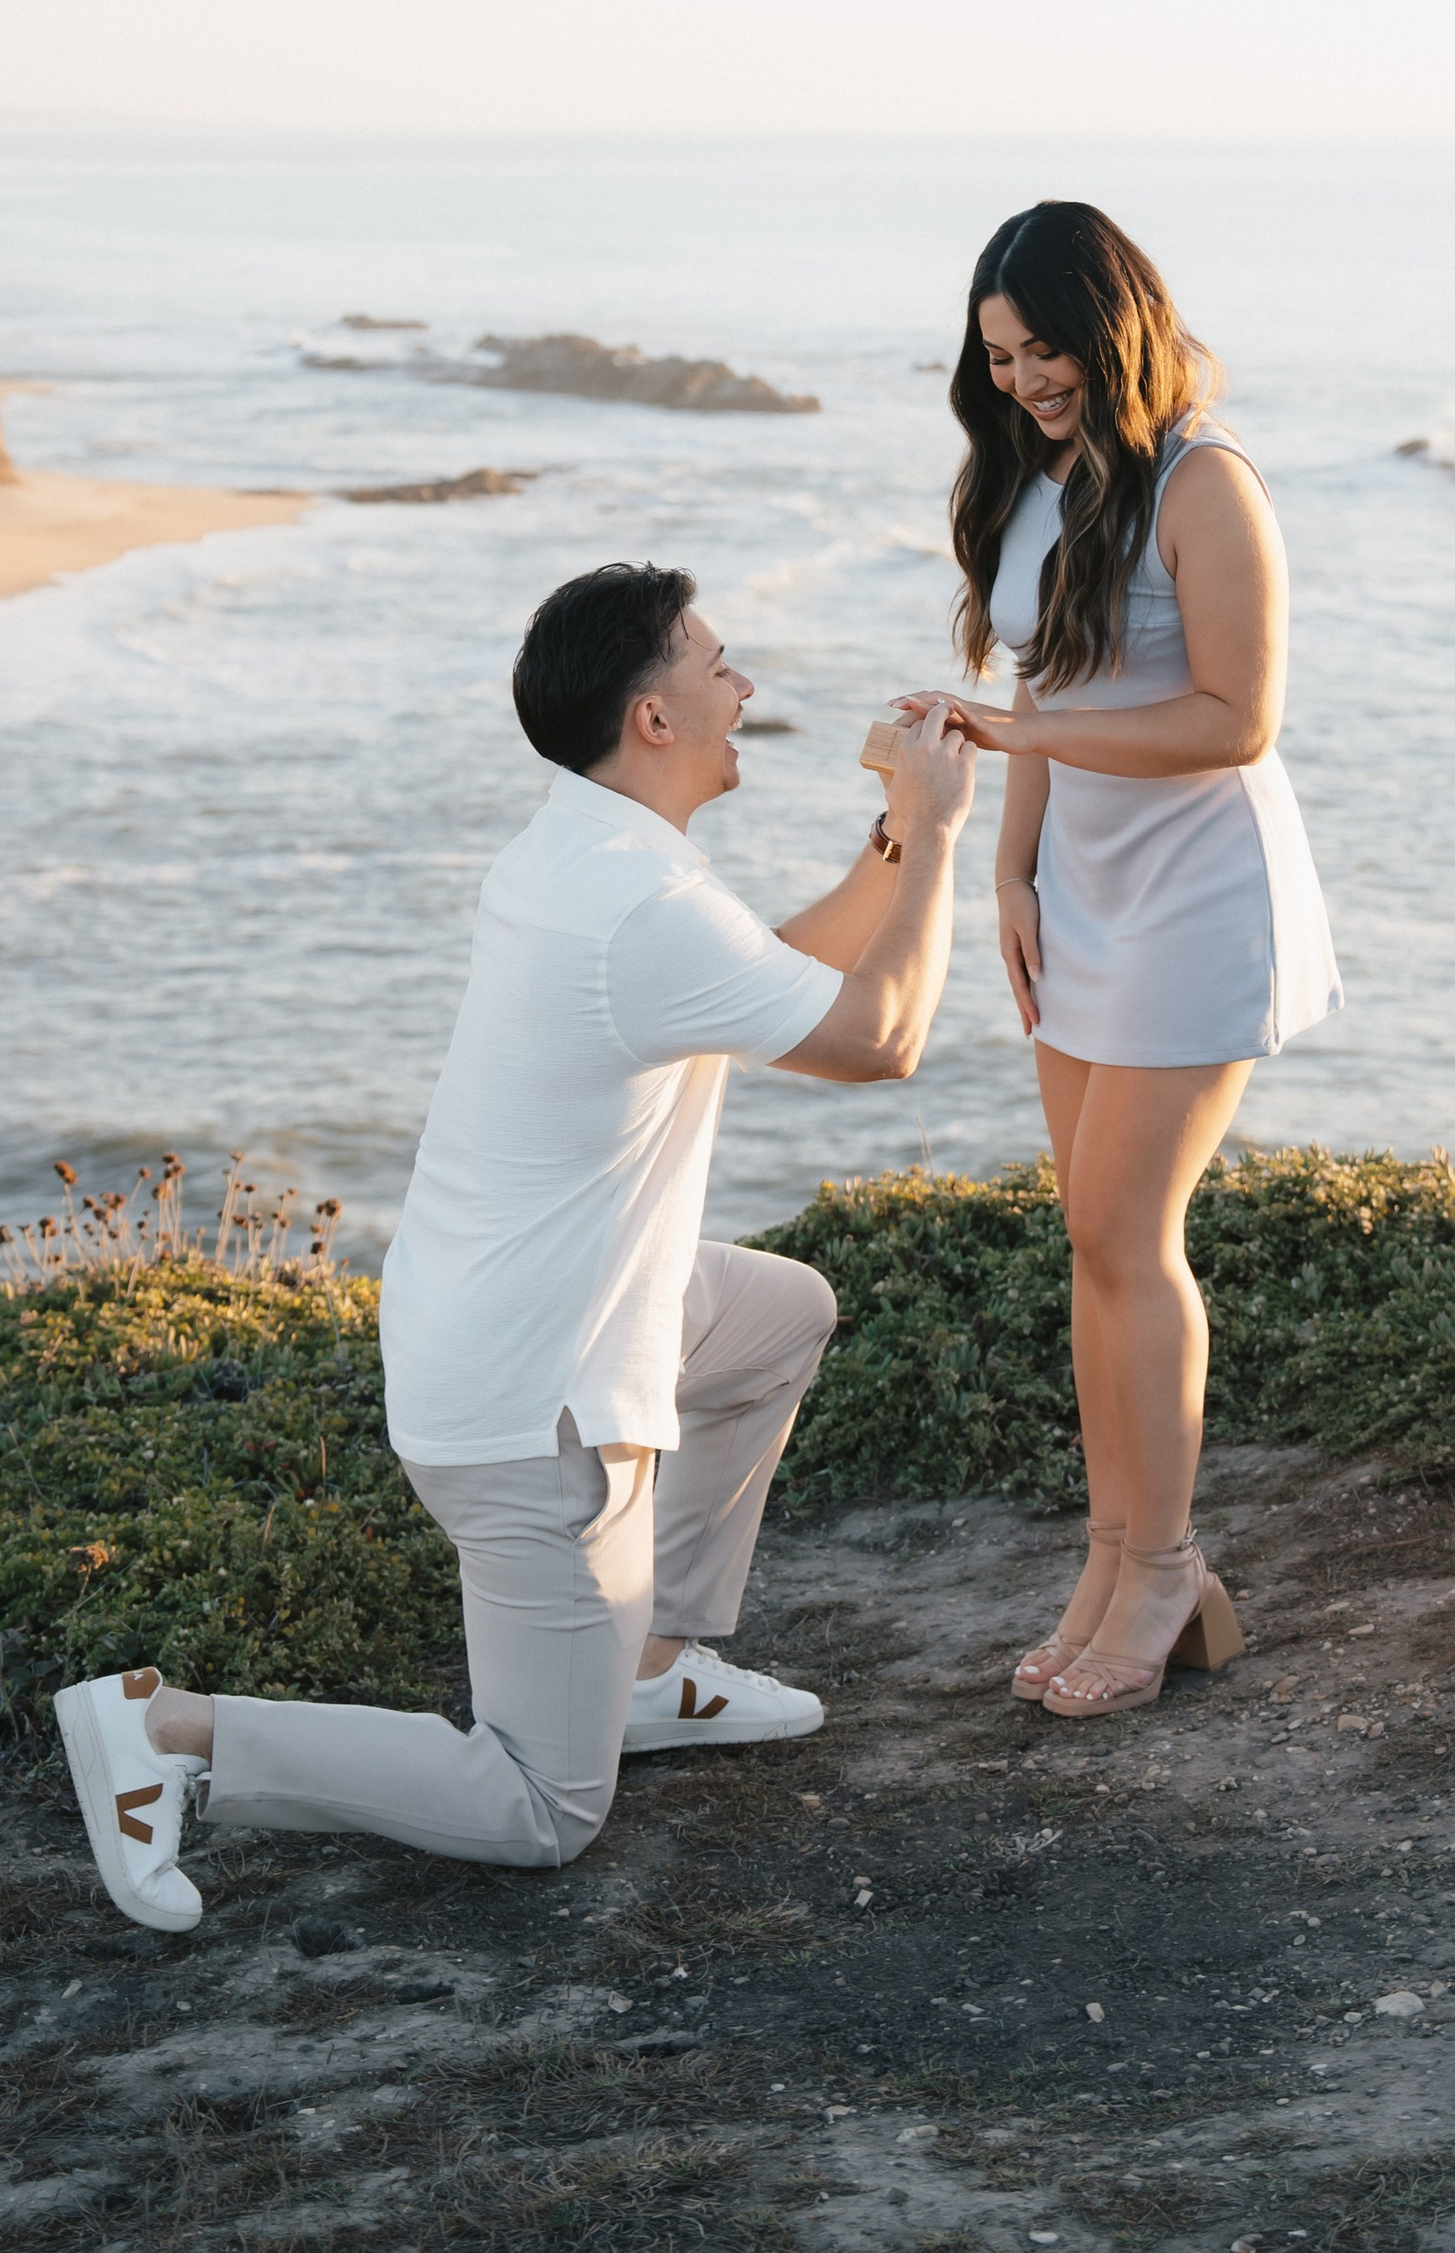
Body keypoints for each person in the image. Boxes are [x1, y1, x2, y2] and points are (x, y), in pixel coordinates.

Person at [56, 559, 976, 1931]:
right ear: (653, 718)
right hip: (532, 1414)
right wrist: (944, 829)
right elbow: (878, 1038)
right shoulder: (639, 907)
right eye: (719, 665)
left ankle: (650, 1664)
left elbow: (779, 974)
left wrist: (895, 827)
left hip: (523, 1319)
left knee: (777, 1312)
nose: (746, 688)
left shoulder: (589, 852)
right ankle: (171, 1734)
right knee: (543, 1809)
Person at [921, 200, 1341, 1721]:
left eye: (1047, 349)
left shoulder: (1207, 480)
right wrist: (1012, 868)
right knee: (1087, 1243)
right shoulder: (1039, 475)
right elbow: (1052, 669)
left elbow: (1237, 717)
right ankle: (1117, 1560)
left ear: (1119, 324)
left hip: (1198, 893)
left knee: (1127, 1226)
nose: (1027, 379)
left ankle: (1161, 1569)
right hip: (1082, 892)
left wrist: (1027, 740)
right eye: (1002, 357)